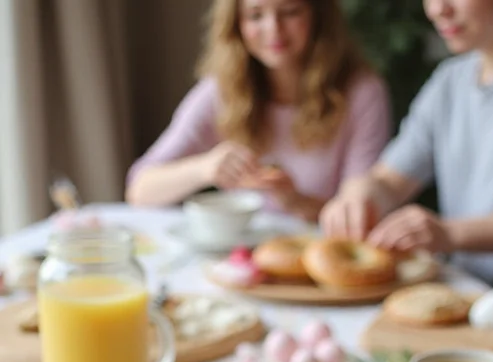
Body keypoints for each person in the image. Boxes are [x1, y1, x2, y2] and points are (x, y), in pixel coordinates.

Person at [321, 1, 493, 292]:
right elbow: (389, 178)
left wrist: (448, 234)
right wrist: (361, 194)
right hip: (465, 289)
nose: (436, 9)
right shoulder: (451, 78)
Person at [126, 0, 391, 222]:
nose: (273, 29)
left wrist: (295, 202)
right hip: (241, 262)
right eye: (255, 15)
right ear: (236, 24)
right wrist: (205, 168)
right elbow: (140, 189)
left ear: (318, 14)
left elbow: (359, 214)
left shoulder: (361, 93)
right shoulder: (221, 90)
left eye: (290, 12)